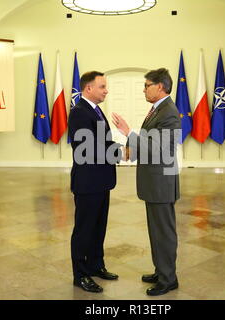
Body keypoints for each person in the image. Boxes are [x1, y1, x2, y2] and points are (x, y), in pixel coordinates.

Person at [111, 68, 181, 296]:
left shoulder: (168, 112)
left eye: (147, 85)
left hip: (161, 182)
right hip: (154, 181)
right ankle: (161, 270)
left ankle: (168, 279)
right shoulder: (157, 110)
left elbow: (160, 149)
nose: (144, 89)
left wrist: (128, 132)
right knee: (156, 230)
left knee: (164, 232)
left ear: (160, 86)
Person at [68, 71, 123, 293]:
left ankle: (95, 265)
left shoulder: (96, 110)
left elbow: (101, 141)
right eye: (102, 86)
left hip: (101, 181)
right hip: (88, 182)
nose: (106, 90)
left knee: (98, 227)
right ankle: (80, 275)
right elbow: (87, 148)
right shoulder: (79, 112)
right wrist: (120, 151)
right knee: (84, 230)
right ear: (88, 88)